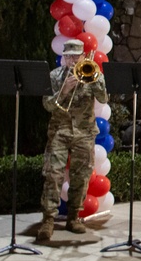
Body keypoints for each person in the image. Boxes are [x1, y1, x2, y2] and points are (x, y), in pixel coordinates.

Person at [38, 39, 108, 241]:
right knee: (53, 174)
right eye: (68, 56)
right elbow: (47, 105)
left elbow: (104, 99)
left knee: (82, 175)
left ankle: (74, 217)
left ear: (83, 57)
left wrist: (96, 80)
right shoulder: (54, 76)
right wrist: (64, 91)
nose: (71, 60)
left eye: (76, 56)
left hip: (84, 132)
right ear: (63, 57)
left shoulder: (92, 74)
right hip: (59, 132)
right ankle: (48, 220)